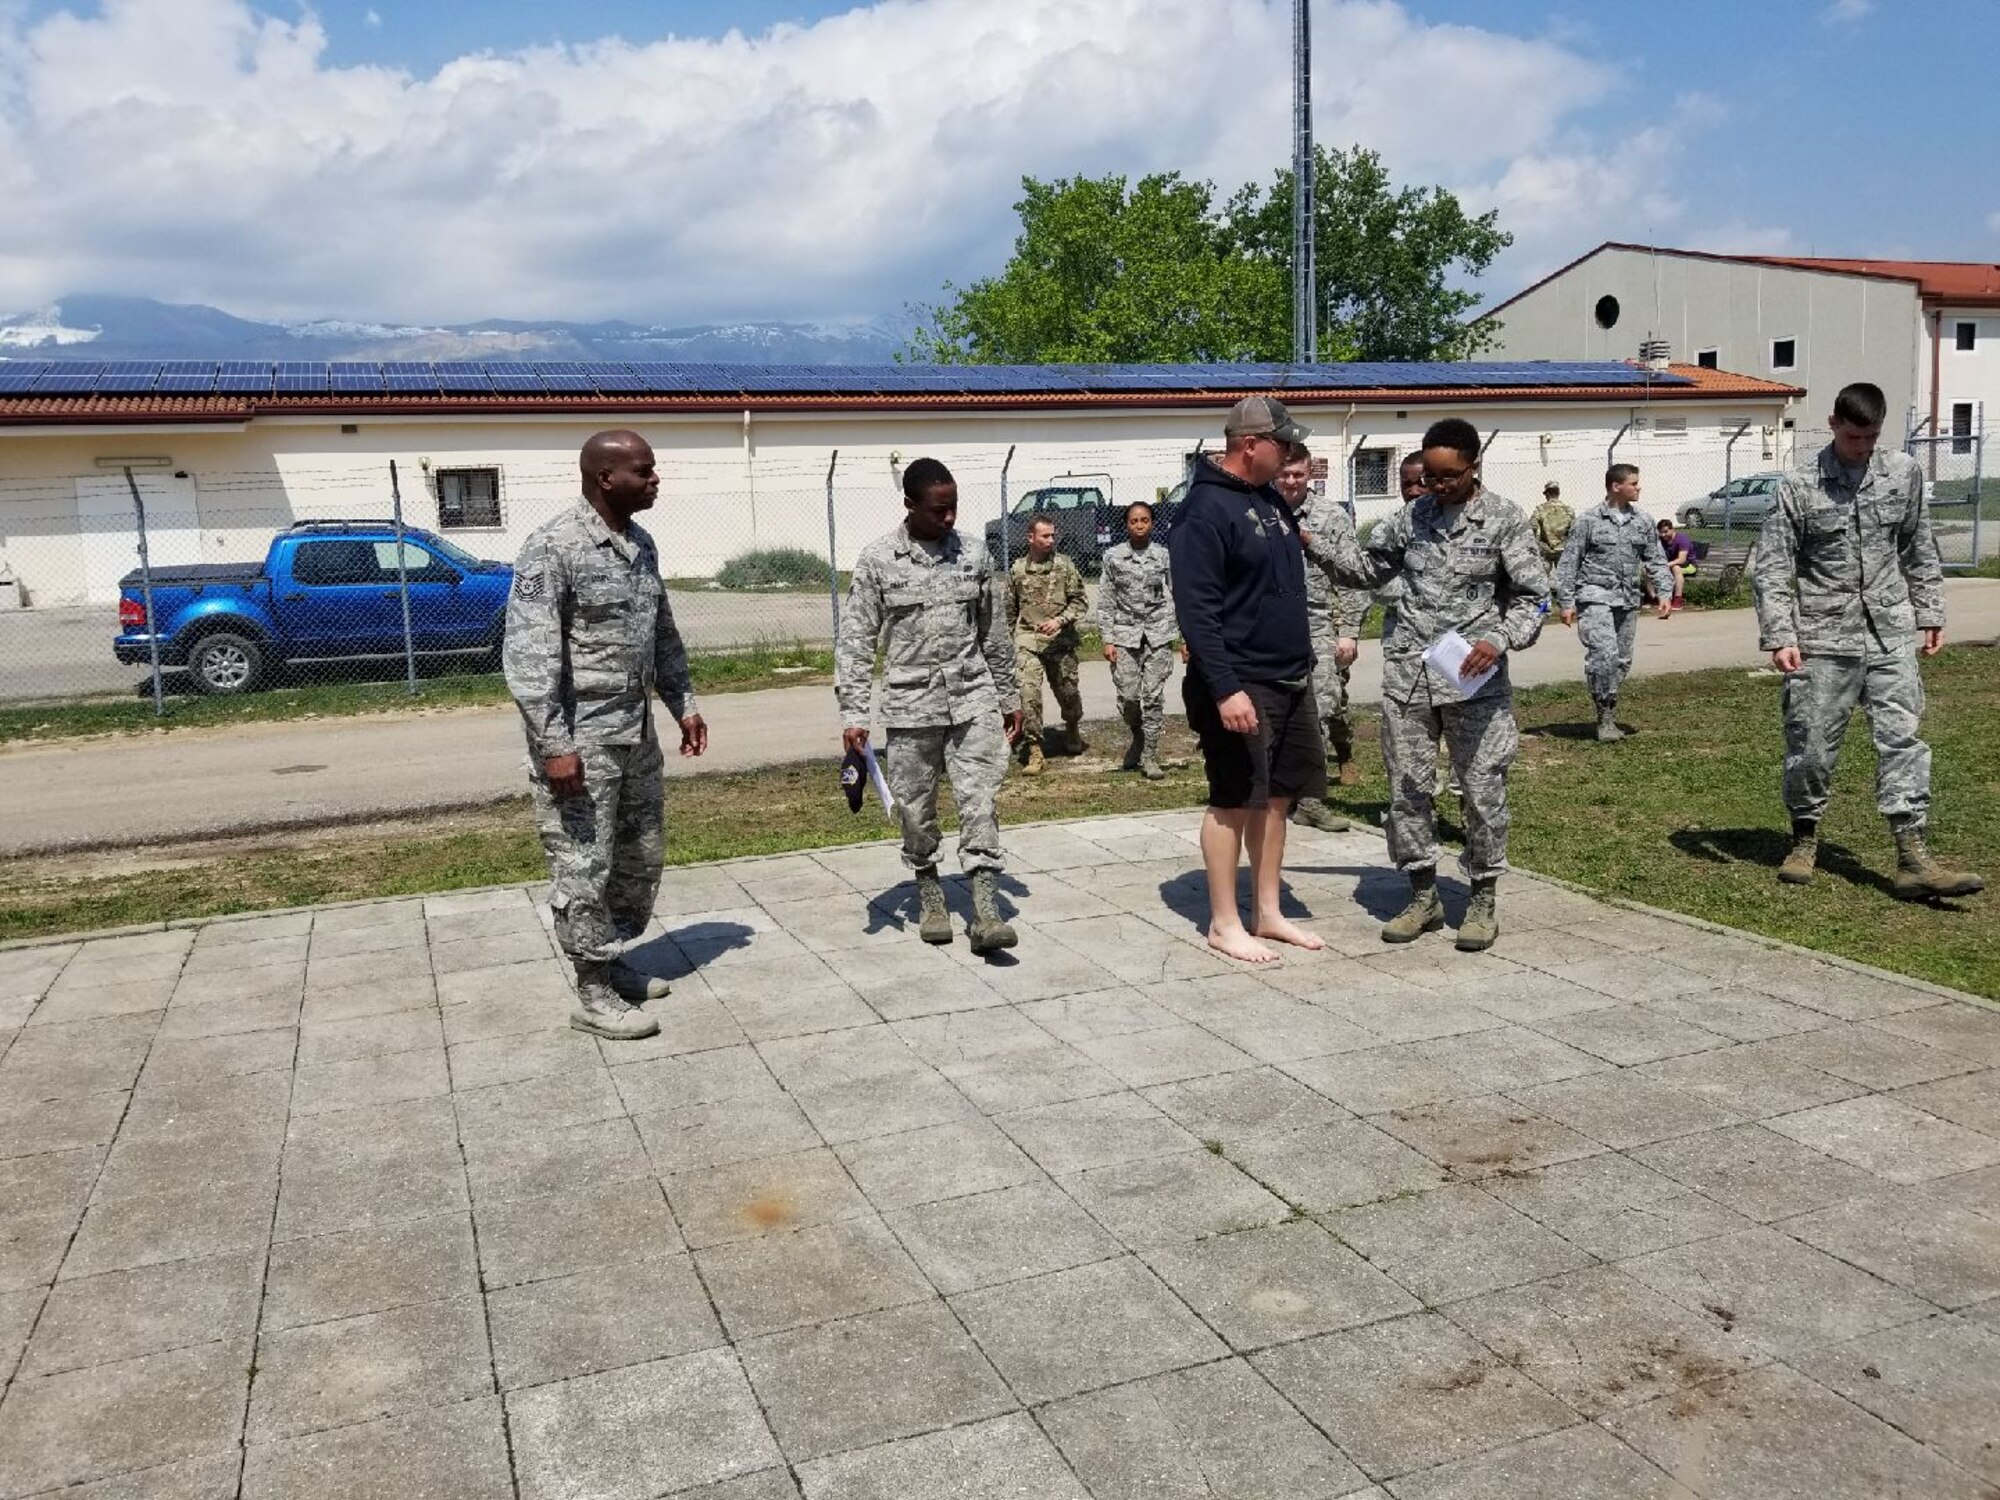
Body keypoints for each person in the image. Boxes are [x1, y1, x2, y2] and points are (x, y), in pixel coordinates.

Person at [504, 429, 709, 1041]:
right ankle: (590, 990)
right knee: (582, 864)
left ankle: (611, 956)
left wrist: (684, 704)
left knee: (638, 856)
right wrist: (554, 746)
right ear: (605, 478)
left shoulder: (640, 544)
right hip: (580, 740)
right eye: (644, 471)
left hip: (635, 733)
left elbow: (662, 632)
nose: (654, 480)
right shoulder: (552, 548)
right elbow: (529, 656)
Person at [1315, 418, 1548, 951]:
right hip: (1409, 680)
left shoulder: (1505, 520)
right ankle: (1423, 895)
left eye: (1449, 476)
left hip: (1473, 683)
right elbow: (1366, 570)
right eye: (1429, 475)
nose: (1436, 486)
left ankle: (1482, 896)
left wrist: (1501, 637)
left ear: (1474, 467)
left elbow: (1534, 596)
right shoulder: (1409, 519)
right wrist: (1309, 538)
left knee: (1483, 791)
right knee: (1408, 790)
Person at [1750, 381, 1983, 899]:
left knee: (1903, 740)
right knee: (1810, 746)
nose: (1863, 447)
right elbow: (1772, 567)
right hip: (1822, 637)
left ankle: (1911, 855)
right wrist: (1780, 634)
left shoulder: (1903, 473)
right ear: (1834, 424)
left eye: (1872, 437)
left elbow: (1918, 544)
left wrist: (1930, 611)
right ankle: (1804, 838)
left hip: (1889, 633)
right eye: (1855, 437)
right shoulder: (1800, 485)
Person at [836, 458, 1025, 951]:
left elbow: (994, 633)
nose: (948, 518)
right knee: (916, 811)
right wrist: (854, 714)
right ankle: (930, 894)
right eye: (939, 510)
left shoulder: (975, 554)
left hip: (972, 699)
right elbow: (856, 642)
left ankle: (986, 911)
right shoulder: (879, 560)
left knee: (980, 800)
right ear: (910, 505)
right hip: (909, 707)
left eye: (954, 507)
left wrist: (1008, 695)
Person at [1171, 396, 1327, 965]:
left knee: (1277, 799)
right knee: (1234, 800)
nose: (1289, 455)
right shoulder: (1204, 511)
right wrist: (1225, 687)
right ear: (1250, 445)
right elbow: (1198, 611)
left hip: (1288, 676)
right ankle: (1223, 921)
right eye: (1282, 445)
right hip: (1241, 682)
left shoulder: (1267, 499)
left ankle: (1266, 911)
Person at [1276, 443, 1369, 830]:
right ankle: (1281, 794)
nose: (1291, 482)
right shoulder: (1259, 510)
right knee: (1275, 713)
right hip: (1270, 626)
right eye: (1284, 474)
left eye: (1299, 474)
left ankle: (1311, 799)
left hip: (1317, 624)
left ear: (1310, 473)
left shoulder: (1330, 516)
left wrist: (1348, 632)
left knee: (1323, 707)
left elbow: (1352, 576)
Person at [1556, 463, 1675, 742]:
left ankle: (1608, 704)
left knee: (1621, 660)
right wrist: (1566, 601)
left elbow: (1655, 560)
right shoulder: (1589, 520)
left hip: (1627, 598)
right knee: (1604, 655)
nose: (1639, 488)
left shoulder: (1643, 521)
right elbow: (1569, 561)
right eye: (1633, 483)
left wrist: (1665, 592)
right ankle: (1604, 717)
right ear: (1616, 486)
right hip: (1594, 595)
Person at [1097, 500, 1184, 780]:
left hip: (1158, 633)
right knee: (1129, 697)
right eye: (1134, 521)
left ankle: (1150, 755)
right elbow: (1107, 600)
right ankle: (1138, 736)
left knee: (1153, 697)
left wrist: (1186, 637)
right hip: (1125, 634)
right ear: (1126, 524)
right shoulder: (1113, 556)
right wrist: (1107, 639)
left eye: (1144, 520)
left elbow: (1178, 594)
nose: (1139, 525)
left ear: (1152, 523)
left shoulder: (1163, 555)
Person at [1008, 516, 1088, 775]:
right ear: (1030, 537)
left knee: (1068, 694)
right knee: (1028, 694)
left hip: (1060, 642)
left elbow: (1080, 602)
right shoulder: (1018, 570)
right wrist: (1007, 645)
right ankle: (1035, 750)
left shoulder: (1065, 566)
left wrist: (1060, 621)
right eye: (1045, 536)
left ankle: (1072, 726)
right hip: (1028, 640)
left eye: (1053, 535)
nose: (1051, 540)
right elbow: (1009, 611)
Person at [1530, 480, 1574, 572]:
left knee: (1541, 578)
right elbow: (1574, 530)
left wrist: (1536, 543)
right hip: (1563, 549)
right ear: (1558, 493)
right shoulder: (1568, 510)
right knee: (1564, 578)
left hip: (1545, 550)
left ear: (1548, 494)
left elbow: (1533, 526)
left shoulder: (1540, 509)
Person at [1657, 517, 1695, 609]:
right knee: (1648, 568)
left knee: (1676, 568)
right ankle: (1653, 597)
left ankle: (1678, 599)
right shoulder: (1660, 540)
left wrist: (1666, 565)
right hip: (1669, 564)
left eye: (1665, 531)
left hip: (1689, 565)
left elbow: (1681, 559)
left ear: (1672, 529)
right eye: (1661, 532)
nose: (1663, 534)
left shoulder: (1682, 539)